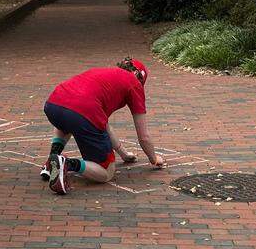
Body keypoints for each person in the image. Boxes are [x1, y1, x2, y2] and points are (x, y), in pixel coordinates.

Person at [41, 57, 165, 195]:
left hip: (53, 104)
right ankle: (66, 163)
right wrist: (154, 159)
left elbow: (104, 125)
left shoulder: (103, 73)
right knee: (106, 172)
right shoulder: (134, 84)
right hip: (82, 113)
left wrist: (123, 154)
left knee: (68, 118)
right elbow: (143, 137)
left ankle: (51, 161)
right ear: (139, 77)